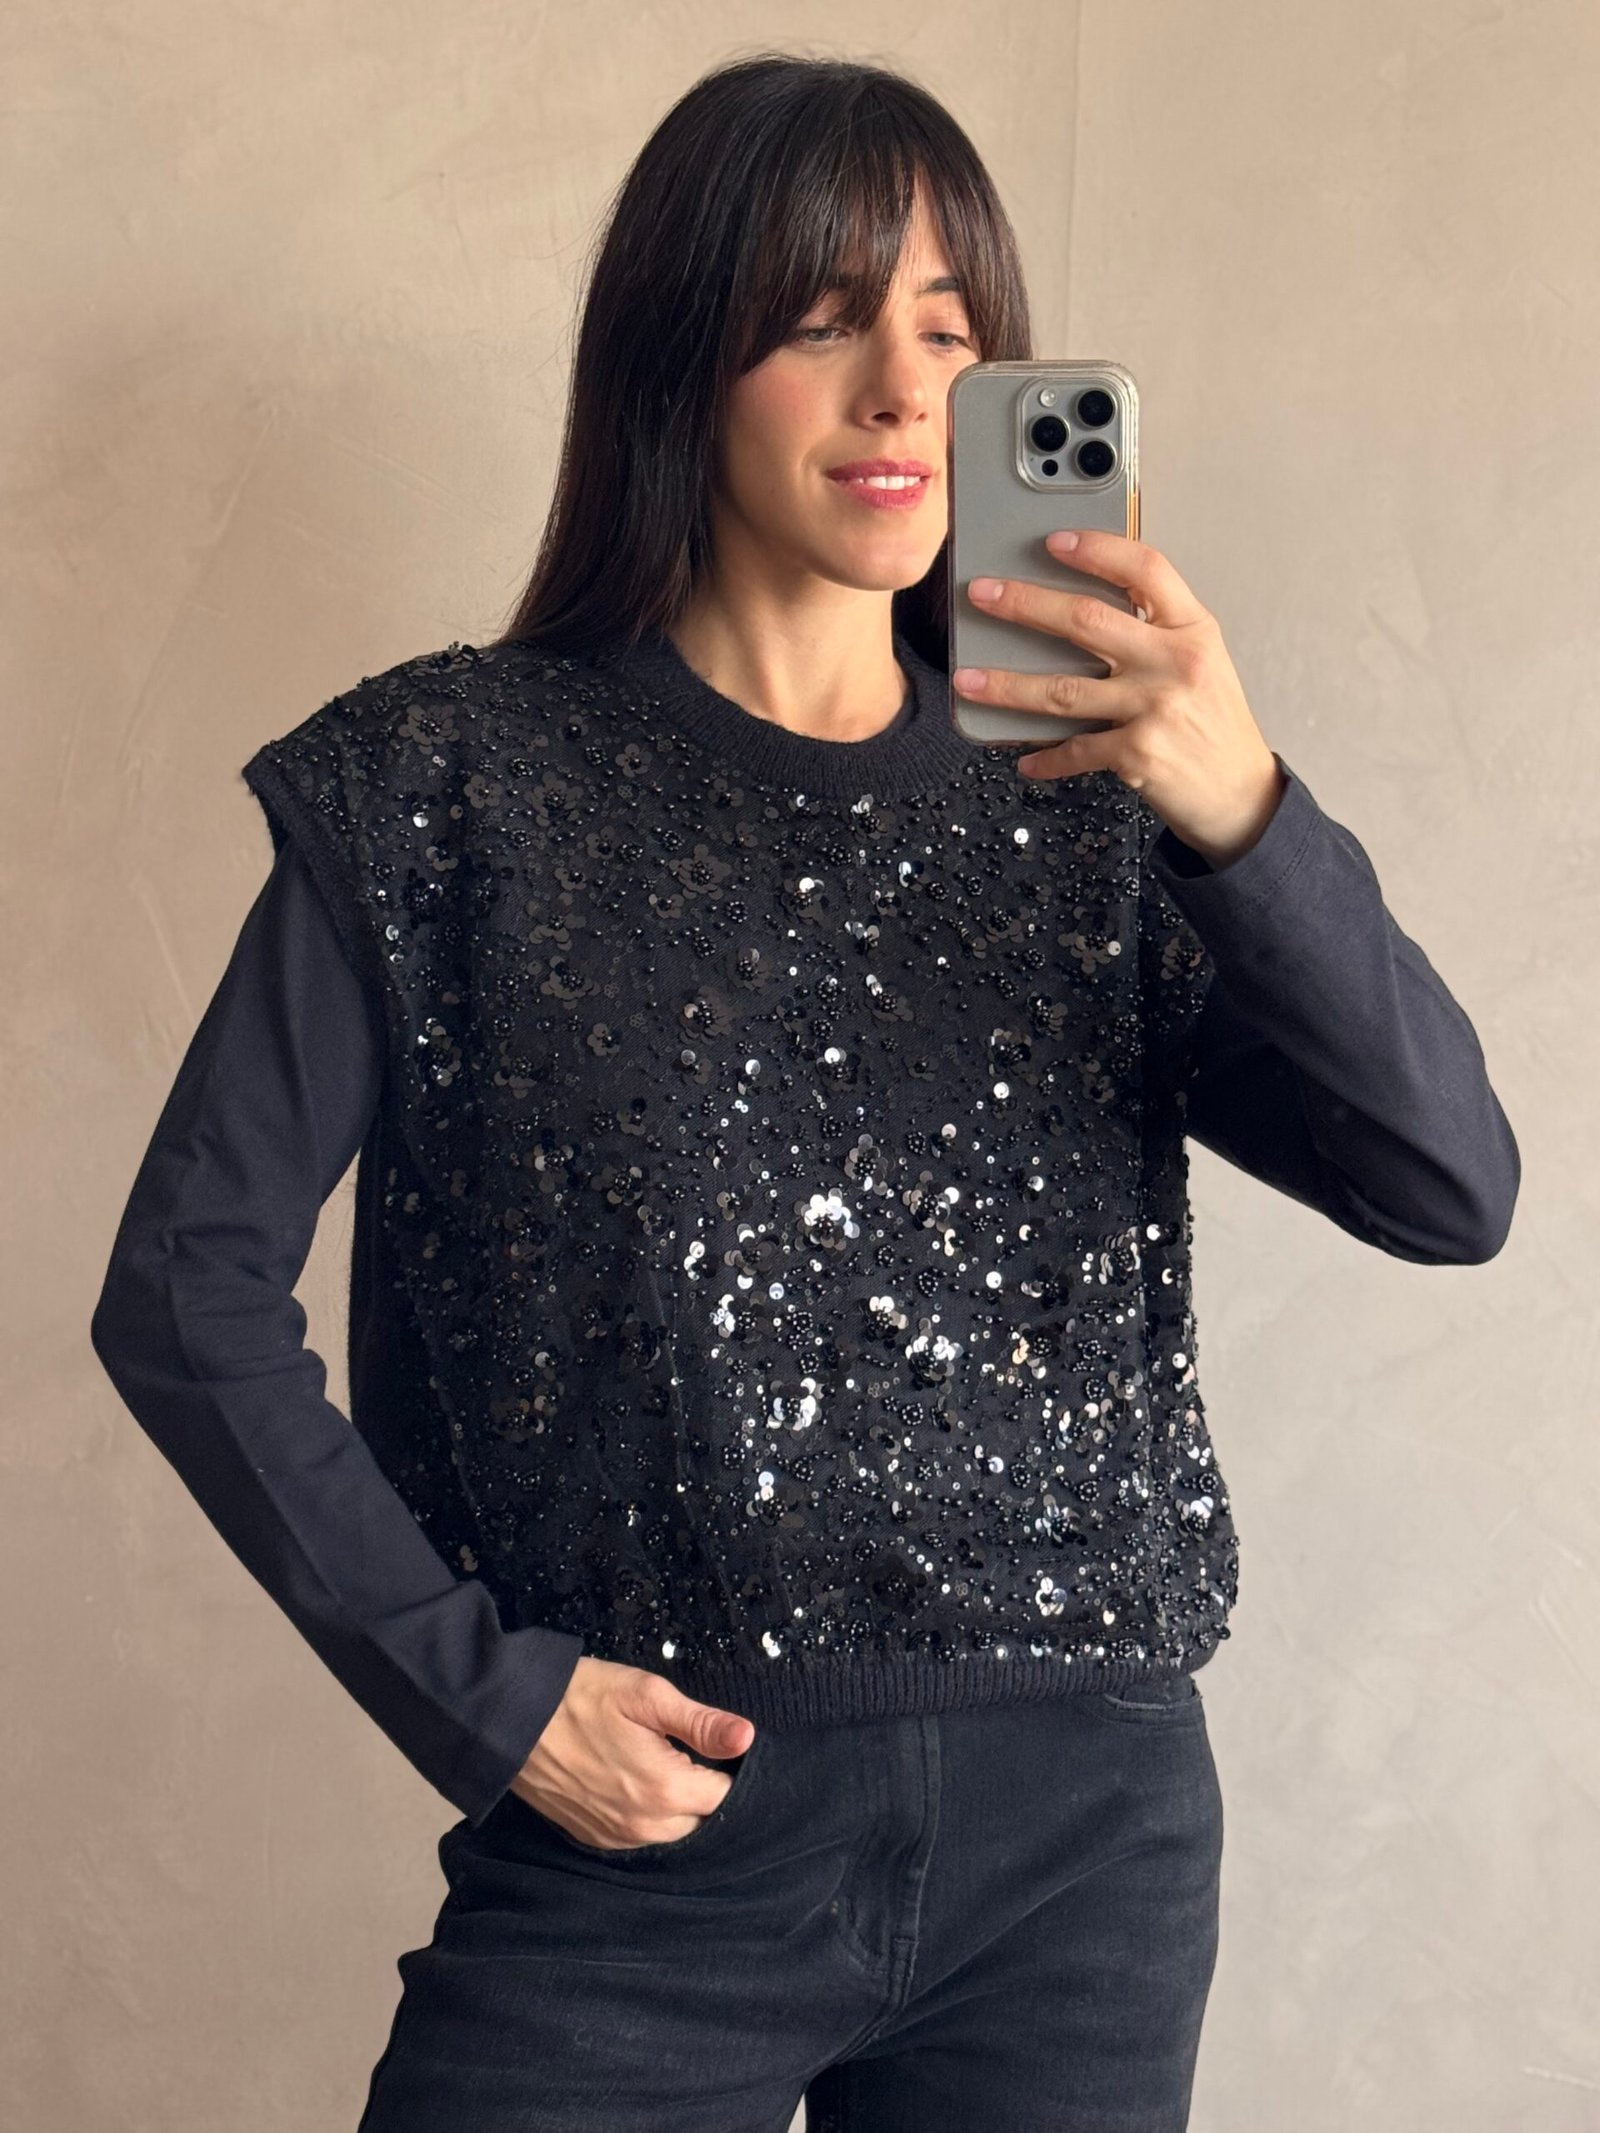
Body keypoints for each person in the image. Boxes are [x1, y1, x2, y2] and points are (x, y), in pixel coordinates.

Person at [89, 52, 1520, 2133]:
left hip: (1083, 1851)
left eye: (951, 331)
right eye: (824, 316)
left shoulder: (1088, 813)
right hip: (648, 1845)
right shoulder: (445, 783)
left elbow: (1449, 1180)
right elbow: (186, 1287)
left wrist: (1242, 807)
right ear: (684, 357)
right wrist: (484, 1700)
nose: (900, 390)